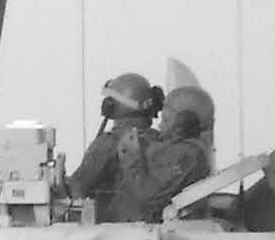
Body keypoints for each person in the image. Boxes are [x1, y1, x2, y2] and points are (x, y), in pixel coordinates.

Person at [105, 84, 214, 224]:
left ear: (184, 123)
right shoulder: (182, 149)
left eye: (166, 120)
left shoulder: (187, 155)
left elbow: (149, 197)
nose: (161, 126)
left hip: (143, 233)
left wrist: (131, 159)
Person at [64, 72, 161, 219]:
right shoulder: (160, 140)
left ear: (112, 106)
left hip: (116, 228)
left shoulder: (108, 144)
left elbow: (78, 188)